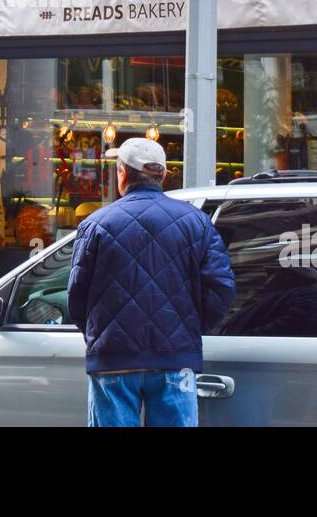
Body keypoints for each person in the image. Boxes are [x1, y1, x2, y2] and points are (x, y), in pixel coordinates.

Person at [67, 137, 235, 427]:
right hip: (175, 359)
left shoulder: (95, 224)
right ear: (163, 175)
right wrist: (188, 328)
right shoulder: (196, 222)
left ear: (122, 174)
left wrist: (100, 334)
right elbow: (221, 287)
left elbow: (77, 295)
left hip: (113, 358)